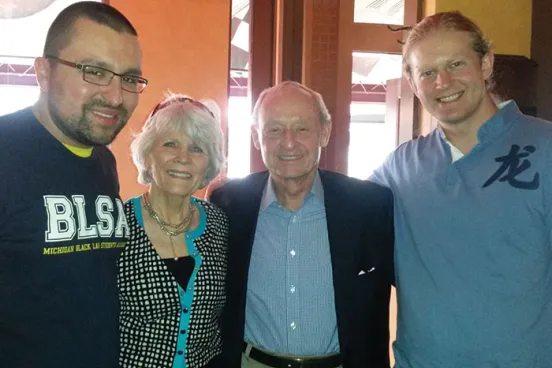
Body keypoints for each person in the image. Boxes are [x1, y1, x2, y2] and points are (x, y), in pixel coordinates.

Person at [370, 11, 552, 368]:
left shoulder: (545, 147)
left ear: (485, 64)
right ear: (411, 82)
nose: (443, 82)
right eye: (427, 72)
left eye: (456, 64)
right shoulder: (400, 169)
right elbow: (340, 222)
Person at [0, 2, 145, 367]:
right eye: (94, 71)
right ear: (43, 71)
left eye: (129, 78)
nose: (115, 97)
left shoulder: (102, 159)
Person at [210, 81, 395, 368]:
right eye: (274, 129)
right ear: (256, 137)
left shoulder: (370, 206)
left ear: (324, 132)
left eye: (302, 128)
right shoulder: (228, 204)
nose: (288, 142)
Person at [118, 94, 228, 368]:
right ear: (147, 154)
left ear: (209, 163)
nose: (183, 158)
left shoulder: (219, 223)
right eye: (170, 144)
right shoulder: (117, 224)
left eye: (197, 149)